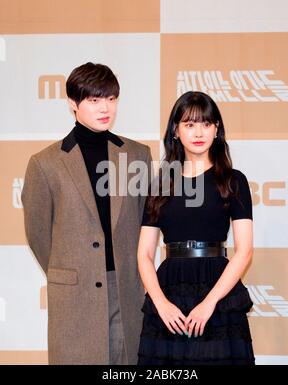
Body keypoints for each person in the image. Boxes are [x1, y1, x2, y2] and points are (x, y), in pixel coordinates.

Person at [21, 62, 152, 365]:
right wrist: (71, 269)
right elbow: (38, 234)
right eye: (94, 100)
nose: (105, 108)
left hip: (127, 289)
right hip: (75, 296)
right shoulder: (45, 163)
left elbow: (148, 223)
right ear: (73, 103)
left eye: (111, 99)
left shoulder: (137, 156)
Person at [137, 91, 255, 365]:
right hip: (169, 292)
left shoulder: (233, 181)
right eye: (189, 124)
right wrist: (160, 303)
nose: (198, 132)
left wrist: (210, 303)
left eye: (206, 123)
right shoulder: (161, 184)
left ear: (217, 129)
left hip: (218, 291)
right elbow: (144, 254)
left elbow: (244, 251)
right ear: (176, 131)